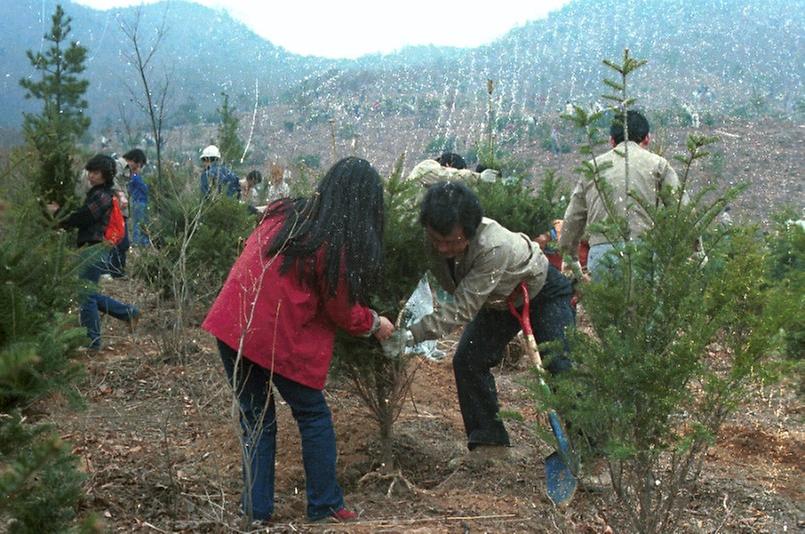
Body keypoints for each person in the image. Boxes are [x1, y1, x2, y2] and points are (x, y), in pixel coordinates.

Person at [201, 157, 395, 523]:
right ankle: (324, 504)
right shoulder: (331, 241)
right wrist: (375, 322)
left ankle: (256, 513)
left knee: (256, 418)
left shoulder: (287, 214)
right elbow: (342, 312)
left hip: (232, 325)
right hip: (269, 334)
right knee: (313, 414)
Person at [389, 181, 575, 454]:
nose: (442, 249)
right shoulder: (431, 240)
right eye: (436, 240)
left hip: (542, 290)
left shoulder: (492, 246)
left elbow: (463, 307)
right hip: (499, 301)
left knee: (560, 363)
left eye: (452, 242)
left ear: (470, 231)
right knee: (468, 360)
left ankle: (591, 448)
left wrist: (411, 334)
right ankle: (490, 445)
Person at [559, 110, 684, 278]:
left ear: (612, 141)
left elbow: (573, 217)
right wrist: (695, 252)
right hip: (642, 252)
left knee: (605, 303)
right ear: (647, 138)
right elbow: (681, 210)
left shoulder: (592, 168)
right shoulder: (658, 164)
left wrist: (570, 259)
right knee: (645, 303)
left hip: (601, 254)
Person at [47, 155, 140, 350]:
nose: (91, 176)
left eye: (96, 172)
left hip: (95, 248)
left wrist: (58, 215)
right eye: (90, 171)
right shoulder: (96, 193)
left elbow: (85, 217)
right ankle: (128, 313)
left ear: (106, 174)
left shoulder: (103, 195)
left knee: (86, 295)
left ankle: (92, 342)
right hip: (92, 247)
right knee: (86, 292)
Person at [123, 148, 150, 246]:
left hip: (138, 201)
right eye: (140, 165)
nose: (140, 167)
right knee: (139, 223)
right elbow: (144, 189)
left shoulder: (132, 176)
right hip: (139, 202)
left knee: (140, 222)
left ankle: (142, 242)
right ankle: (138, 242)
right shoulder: (135, 176)